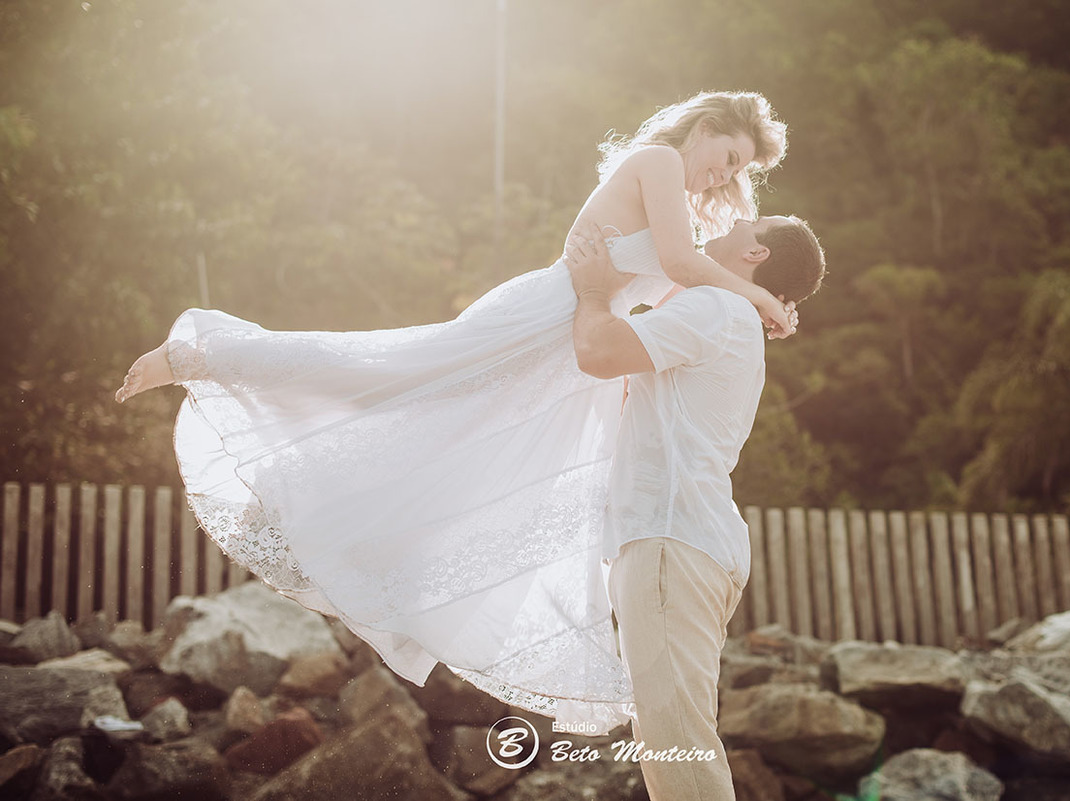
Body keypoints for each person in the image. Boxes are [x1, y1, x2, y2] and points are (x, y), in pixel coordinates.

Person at [112, 91, 795, 733]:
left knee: (482, 469)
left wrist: (751, 303)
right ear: (703, 128)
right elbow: (677, 259)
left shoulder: (682, 199)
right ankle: (206, 353)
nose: (722, 175)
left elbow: (680, 290)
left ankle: (401, 569)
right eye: (728, 157)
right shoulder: (660, 163)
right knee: (390, 379)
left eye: (736, 170)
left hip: (570, 354)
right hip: (545, 316)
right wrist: (759, 298)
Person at [563, 214, 825, 800]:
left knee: (675, 743)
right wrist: (765, 299)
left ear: (755, 252)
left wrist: (592, 291)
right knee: (672, 739)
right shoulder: (727, 314)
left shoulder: (718, 311)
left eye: (748, 221)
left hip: (669, 543)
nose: (734, 218)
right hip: (683, 542)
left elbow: (600, 351)